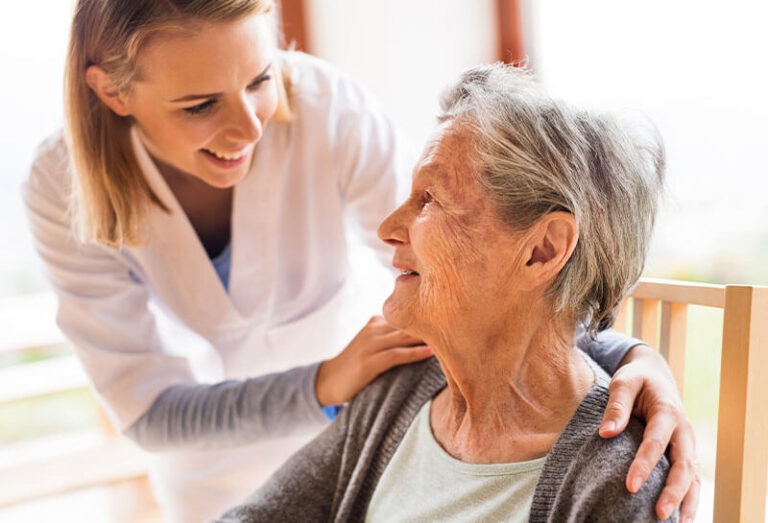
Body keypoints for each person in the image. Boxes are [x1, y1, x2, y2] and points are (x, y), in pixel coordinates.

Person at [23, 1, 697, 521]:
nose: (252, 126)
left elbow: (495, 273)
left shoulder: (326, 109)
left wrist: (627, 353)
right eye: (200, 105)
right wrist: (327, 385)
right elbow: (152, 412)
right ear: (114, 93)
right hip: (234, 463)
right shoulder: (60, 188)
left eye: (262, 79)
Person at [216, 64, 679, 522]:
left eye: (429, 200)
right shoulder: (400, 388)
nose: (388, 229)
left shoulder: (622, 484)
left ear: (541, 250)